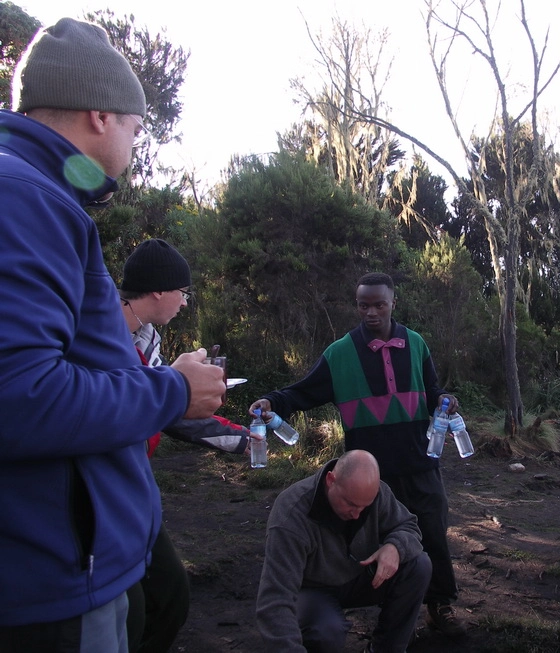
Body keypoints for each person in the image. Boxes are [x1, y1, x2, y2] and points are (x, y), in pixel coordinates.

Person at [0, 18, 224, 652]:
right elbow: (20, 396)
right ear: (100, 114)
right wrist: (172, 391)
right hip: (54, 574)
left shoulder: (33, 189)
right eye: (134, 122)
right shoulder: (25, 196)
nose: (134, 137)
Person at [250, 272, 467, 636]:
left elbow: (430, 390)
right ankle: (379, 610)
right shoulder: (339, 354)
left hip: (419, 463)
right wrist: (272, 401)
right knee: (372, 539)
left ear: (393, 303)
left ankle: (439, 604)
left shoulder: (415, 344)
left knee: (431, 532)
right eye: (363, 305)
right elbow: (302, 392)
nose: (371, 312)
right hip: (369, 476)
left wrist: (444, 399)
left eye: (379, 304)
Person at [119, 238, 252, 653]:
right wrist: (172, 383)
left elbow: (173, 410)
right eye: (183, 292)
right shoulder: (99, 336)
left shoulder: (148, 337)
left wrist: (242, 439)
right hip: (108, 490)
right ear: (158, 290)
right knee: (140, 607)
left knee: (170, 596)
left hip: (136, 488)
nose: (185, 302)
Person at [256, 449, 432, 652]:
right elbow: (275, 599)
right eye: (350, 504)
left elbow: (409, 525)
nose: (357, 515)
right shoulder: (290, 515)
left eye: (364, 507)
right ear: (331, 480)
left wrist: (395, 547)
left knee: (418, 565)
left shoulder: (376, 494)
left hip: (361, 577)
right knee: (327, 630)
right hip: (311, 590)